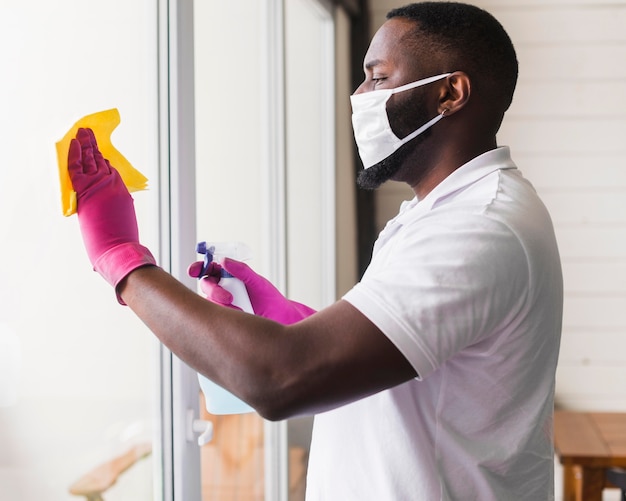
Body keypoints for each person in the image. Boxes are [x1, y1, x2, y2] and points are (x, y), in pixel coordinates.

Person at [67, 2, 563, 499]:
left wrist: (122, 260)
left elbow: (281, 380)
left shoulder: (476, 225)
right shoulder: (440, 211)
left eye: (379, 77)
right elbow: (405, 359)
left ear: (449, 93)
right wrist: (288, 319)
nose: (359, 95)